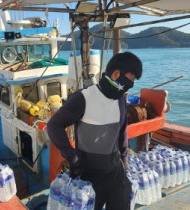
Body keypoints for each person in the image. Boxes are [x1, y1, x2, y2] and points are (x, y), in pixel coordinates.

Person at [47, 52, 143, 210]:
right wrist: (71, 157)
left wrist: (124, 159)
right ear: (116, 74)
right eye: (129, 81)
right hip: (88, 176)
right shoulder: (83, 98)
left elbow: (122, 131)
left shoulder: (120, 100)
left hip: (115, 171)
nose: (130, 86)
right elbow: (54, 125)